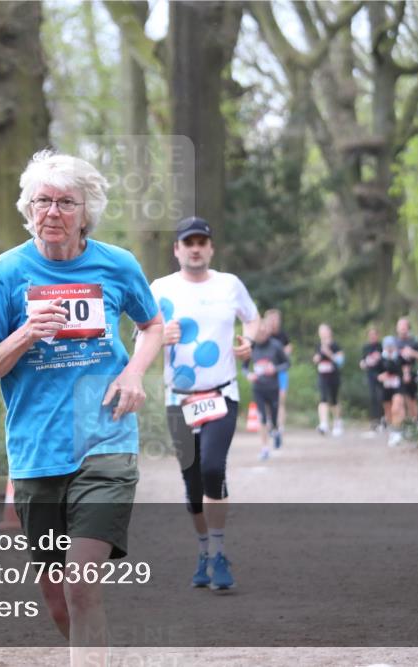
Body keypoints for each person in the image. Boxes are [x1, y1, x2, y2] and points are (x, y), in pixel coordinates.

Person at [0, 150, 163, 661]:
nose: (52, 212)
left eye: (65, 202)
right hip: (37, 452)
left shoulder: (117, 264)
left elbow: (152, 325)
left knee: (81, 586)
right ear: (28, 207)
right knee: (59, 604)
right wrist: (25, 334)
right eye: (42, 201)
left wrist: (133, 372)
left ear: (85, 211)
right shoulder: (5, 274)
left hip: (106, 441)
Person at [150, 216, 259, 591]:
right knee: (192, 484)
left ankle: (218, 552)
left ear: (210, 248)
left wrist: (249, 340)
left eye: (202, 241)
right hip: (178, 400)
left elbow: (253, 318)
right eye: (188, 242)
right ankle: (202, 549)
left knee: (213, 468)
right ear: (177, 249)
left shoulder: (230, 285)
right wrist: (160, 336)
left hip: (221, 393)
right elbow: (142, 337)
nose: (195, 248)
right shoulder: (159, 288)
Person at [245, 316, 290, 460]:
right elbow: (244, 368)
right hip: (258, 387)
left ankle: (276, 431)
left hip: (273, 387)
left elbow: (287, 364)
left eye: (264, 330)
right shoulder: (251, 347)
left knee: (274, 417)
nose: (262, 333)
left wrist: (275, 368)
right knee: (262, 417)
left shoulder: (276, 345)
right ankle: (264, 448)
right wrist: (248, 375)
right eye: (259, 331)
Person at [264, 309, 293, 435]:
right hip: (267, 374)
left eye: (276, 319)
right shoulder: (263, 336)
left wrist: (283, 353)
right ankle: (270, 422)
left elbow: (289, 347)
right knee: (267, 401)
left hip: (281, 372)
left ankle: (280, 426)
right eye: (272, 319)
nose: (274, 322)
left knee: (280, 399)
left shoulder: (283, 335)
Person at [313, 323, 344, 436]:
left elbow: (340, 361)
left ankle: (337, 422)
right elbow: (316, 359)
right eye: (320, 331)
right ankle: (324, 424)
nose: (323, 333)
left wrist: (329, 353)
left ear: (329, 332)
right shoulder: (318, 346)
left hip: (334, 376)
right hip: (322, 376)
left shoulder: (335, 345)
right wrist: (316, 358)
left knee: (334, 400)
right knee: (323, 399)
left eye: (325, 330)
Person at [377, 335, 407, 446]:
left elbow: (405, 367)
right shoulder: (380, 359)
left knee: (396, 408)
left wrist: (406, 374)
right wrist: (380, 376)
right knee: (388, 412)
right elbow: (374, 373)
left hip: (397, 387)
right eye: (387, 346)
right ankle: (393, 431)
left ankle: (397, 432)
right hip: (385, 388)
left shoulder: (399, 357)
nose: (389, 348)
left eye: (391, 346)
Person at [395, 317, 418, 421]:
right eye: (400, 326)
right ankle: (401, 425)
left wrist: (412, 353)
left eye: (404, 326)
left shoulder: (414, 342)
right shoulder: (393, 342)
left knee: (412, 399)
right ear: (397, 328)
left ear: (408, 328)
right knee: (399, 400)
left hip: (412, 374)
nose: (402, 328)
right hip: (397, 375)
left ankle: (415, 422)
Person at [359, 327, 384, 432]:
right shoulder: (366, 347)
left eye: (374, 334)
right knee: (373, 397)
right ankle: (375, 420)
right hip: (370, 375)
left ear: (377, 335)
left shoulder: (381, 346)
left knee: (382, 396)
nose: (372, 336)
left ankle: (384, 418)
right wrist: (363, 364)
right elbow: (362, 361)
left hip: (382, 375)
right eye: (371, 334)